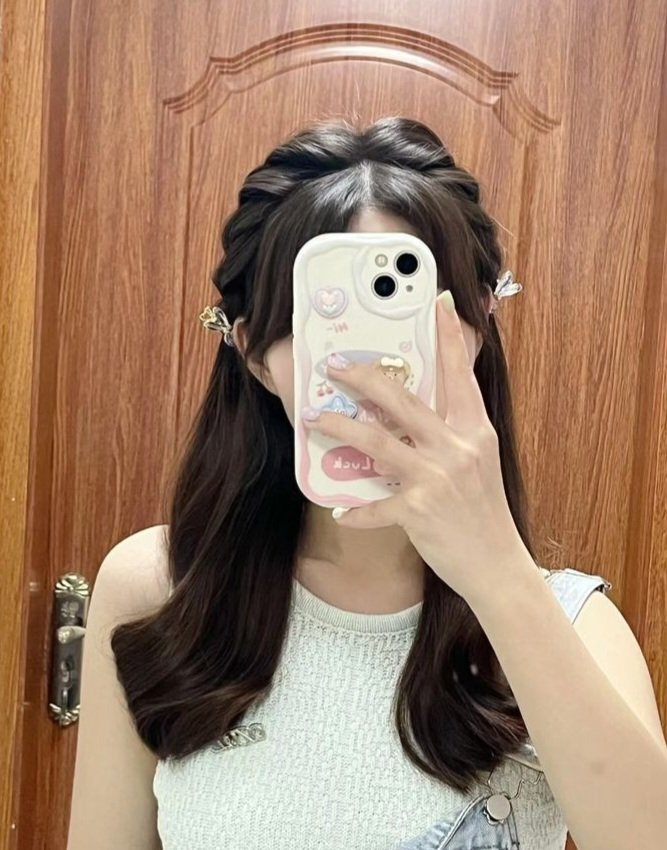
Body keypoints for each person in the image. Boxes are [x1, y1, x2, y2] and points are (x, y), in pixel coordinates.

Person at [66, 116, 667, 850]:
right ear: (253, 353)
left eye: (402, 321)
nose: (372, 371)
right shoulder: (161, 589)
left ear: (475, 335)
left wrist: (495, 573)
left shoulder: (570, 624)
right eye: (329, 327)